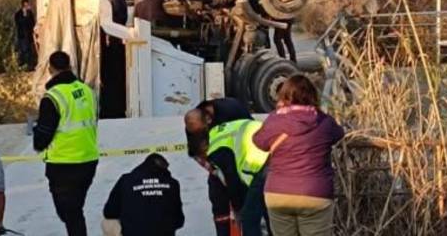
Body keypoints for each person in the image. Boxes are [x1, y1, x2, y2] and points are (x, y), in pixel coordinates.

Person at [253, 75, 345, 236]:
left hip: (278, 193)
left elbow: (259, 142)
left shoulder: (275, 120)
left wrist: (278, 112)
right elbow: (339, 134)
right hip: (315, 193)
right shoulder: (324, 121)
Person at [33, 51, 99, 236]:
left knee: (69, 213)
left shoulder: (53, 97)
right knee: (74, 211)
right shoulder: (87, 91)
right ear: (70, 66)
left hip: (63, 164)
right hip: (88, 160)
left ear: (50, 69)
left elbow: (43, 135)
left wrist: (37, 140)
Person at [185, 98, 270, 236]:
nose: (200, 135)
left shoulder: (231, 112)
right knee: (218, 194)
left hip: (252, 165)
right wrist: (213, 169)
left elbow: (232, 176)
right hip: (233, 162)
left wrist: (238, 209)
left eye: (202, 132)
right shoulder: (195, 119)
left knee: (250, 212)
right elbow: (195, 151)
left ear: (208, 119)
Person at [102, 153, 184, 236]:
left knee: (108, 223)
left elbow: (109, 212)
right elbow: (179, 221)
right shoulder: (173, 183)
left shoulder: (126, 180)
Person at [14, 0, 36, 71]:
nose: (27, 7)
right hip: (22, 36)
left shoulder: (30, 13)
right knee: (23, 51)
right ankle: (23, 65)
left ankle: (30, 66)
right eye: (25, 5)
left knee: (30, 51)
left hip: (29, 35)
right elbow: (18, 23)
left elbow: (32, 23)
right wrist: (24, 16)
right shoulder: (18, 14)